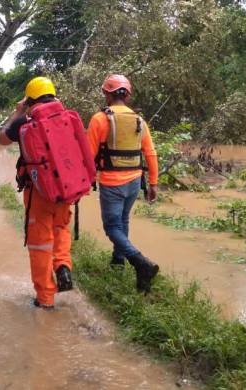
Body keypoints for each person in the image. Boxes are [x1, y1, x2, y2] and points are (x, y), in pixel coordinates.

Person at [0, 76, 91, 310]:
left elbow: (1, 139)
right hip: (66, 190)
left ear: (29, 99)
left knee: (40, 245)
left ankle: (45, 298)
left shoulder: (24, 123)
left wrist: (18, 113)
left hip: (38, 194)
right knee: (60, 229)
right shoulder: (68, 118)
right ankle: (63, 267)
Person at [87, 74, 160, 293]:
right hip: (134, 181)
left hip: (112, 182)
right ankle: (118, 261)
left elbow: (89, 155)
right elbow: (150, 152)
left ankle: (140, 263)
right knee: (123, 220)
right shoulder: (139, 120)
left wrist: (88, 180)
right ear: (127, 95)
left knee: (112, 227)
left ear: (106, 94)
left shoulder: (100, 119)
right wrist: (154, 183)